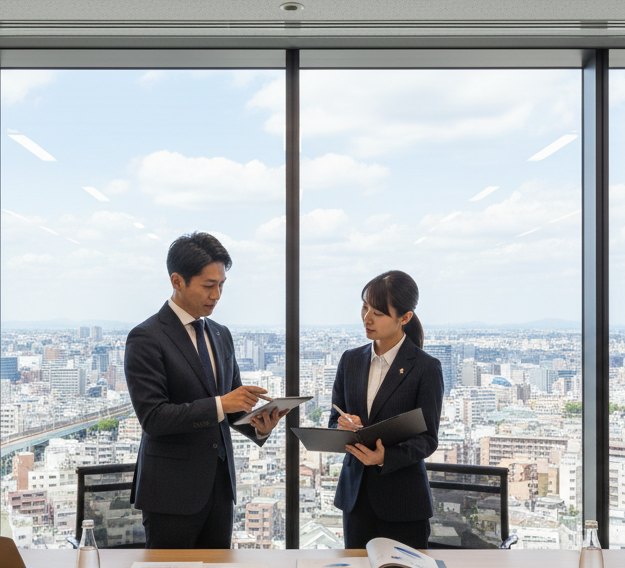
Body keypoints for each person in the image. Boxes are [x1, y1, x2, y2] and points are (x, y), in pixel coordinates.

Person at [124, 232, 289, 548]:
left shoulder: (220, 334)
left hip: (219, 489)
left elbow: (234, 403)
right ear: (177, 281)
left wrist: (259, 424)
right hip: (171, 493)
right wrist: (221, 404)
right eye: (208, 285)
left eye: (222, 285)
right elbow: (154, 418)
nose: (217, 295)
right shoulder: (146, 337)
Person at [329, 270, 442, 549]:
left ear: (405, 318)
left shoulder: (426, 368)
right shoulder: (350, 360)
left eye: (378, 312)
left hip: (402, 501)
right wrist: (342, 425)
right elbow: (334, 420)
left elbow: (427, 439)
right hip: (355, 499)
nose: (367, 318)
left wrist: (384, 457)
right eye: (365, 306)